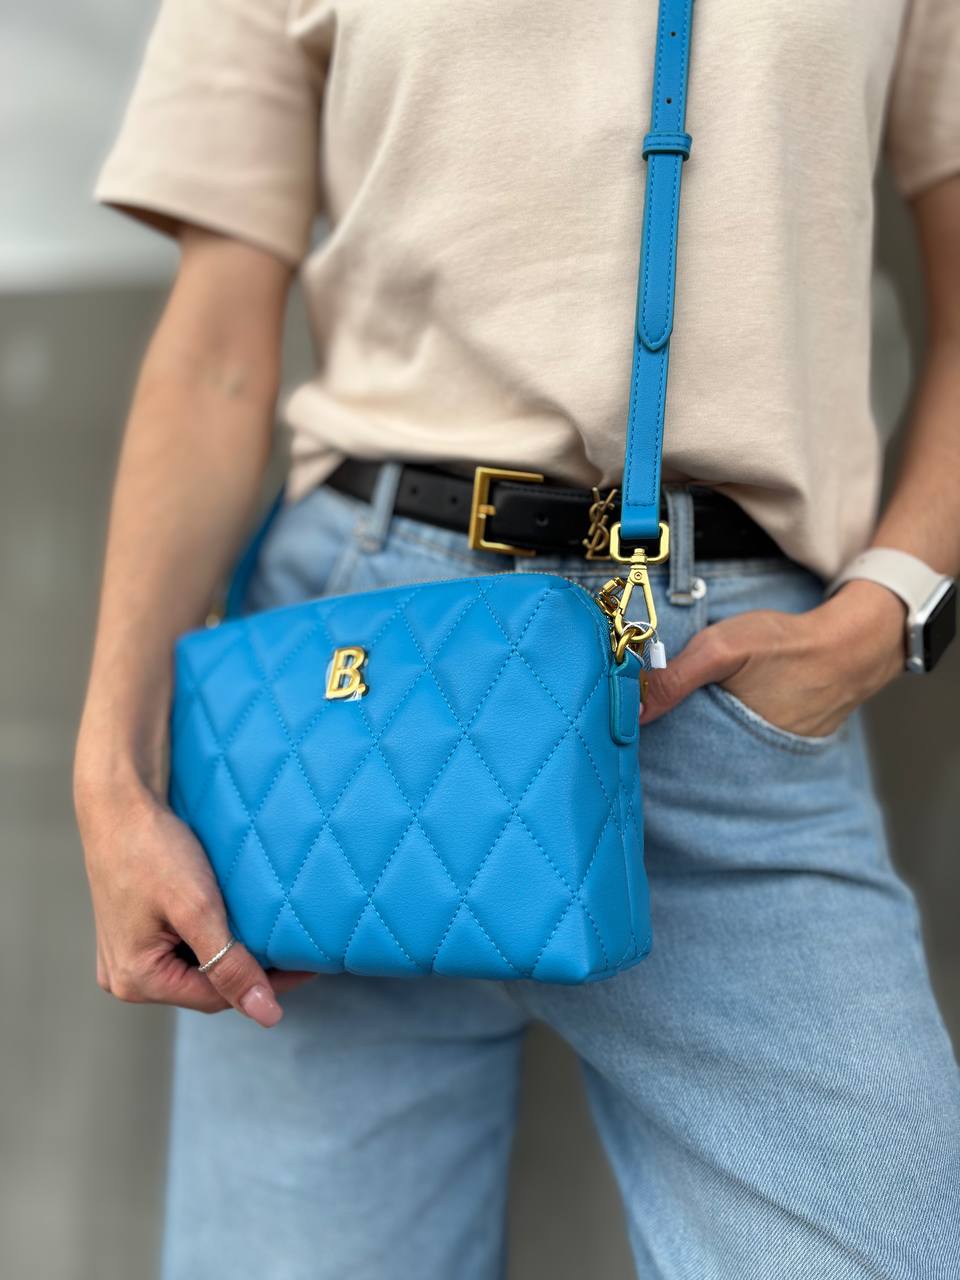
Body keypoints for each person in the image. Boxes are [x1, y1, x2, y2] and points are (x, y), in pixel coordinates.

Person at [74, 1, 960, 1276]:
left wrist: (888, 611)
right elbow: (216, 344)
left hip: (715, 686)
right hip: (349, 696)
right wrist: (111, 773)